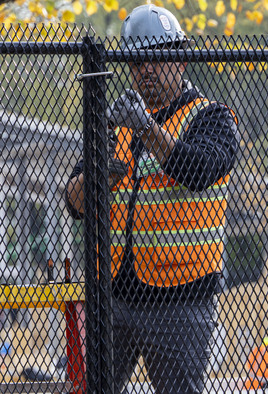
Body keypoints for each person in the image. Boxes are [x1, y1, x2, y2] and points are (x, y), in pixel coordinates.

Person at [64, 5, 239, 393]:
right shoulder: (115, 124)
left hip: (180, 301)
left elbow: (198, 171)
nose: (146, 69)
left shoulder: (211, 117)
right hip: (114, 300)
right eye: (136, 60)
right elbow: (74, 203)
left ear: (180, 56)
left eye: (157, 57)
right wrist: (96, 170)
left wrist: (145, 125)